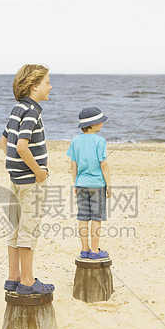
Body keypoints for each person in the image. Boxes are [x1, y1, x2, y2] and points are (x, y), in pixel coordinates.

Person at [0, 64, 55, 295]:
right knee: (28, 230)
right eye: (47, 83)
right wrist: (38, 172)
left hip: (15, 179)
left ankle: (13, 277)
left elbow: (4, 143)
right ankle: (28, 281)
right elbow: (22, 146)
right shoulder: (33, 112)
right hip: (31, 182)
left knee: (15, 228)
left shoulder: (17, 109)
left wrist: (16, 165)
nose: (51, 87)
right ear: (34, 86)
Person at [67, 107, 111, 259]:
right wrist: (109, 185)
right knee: (96, 218)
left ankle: (84, 250)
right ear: (92, 124)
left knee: (83, 218)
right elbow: (103, 164)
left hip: (81, 184)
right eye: (100, 121)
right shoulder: (100, 141)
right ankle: (94, 251)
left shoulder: (76, 140)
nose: (102, 124)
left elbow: (73, 164)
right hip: (97, 184)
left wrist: (76, 183)